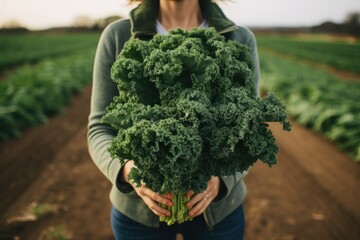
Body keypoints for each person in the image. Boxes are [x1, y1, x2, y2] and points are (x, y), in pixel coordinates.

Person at [87, 0, 260, 239]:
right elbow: (99, 127)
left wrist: (221, 179)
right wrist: (127, 171)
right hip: (138, 215)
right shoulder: (118, 35)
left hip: (217, 215)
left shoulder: (239, 38)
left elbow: (249, 129)